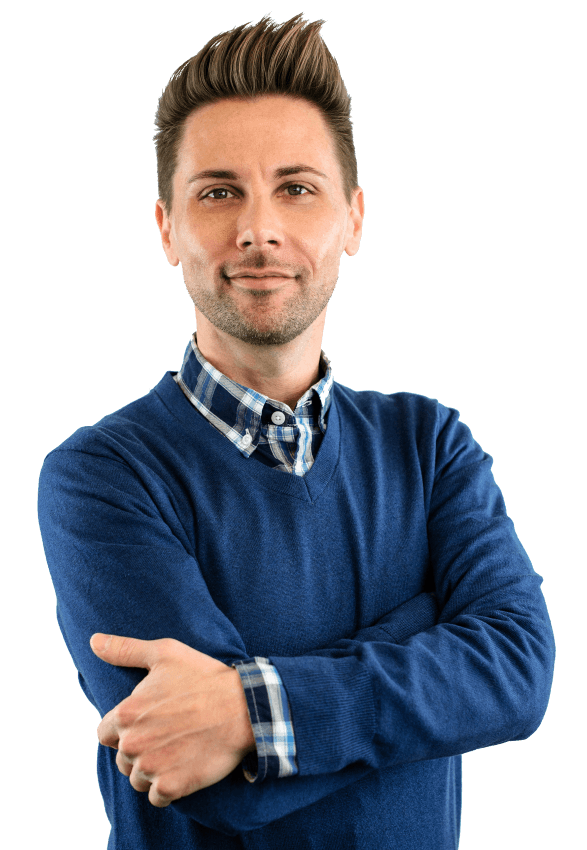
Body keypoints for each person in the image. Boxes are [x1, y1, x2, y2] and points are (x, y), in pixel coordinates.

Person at [37, 13, 555, 850]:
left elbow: (519, 673)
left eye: (296, 188)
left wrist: (248, 708)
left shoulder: (430, 445)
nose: (259, 230)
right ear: (167, 228)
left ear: (353, 219)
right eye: (218, 192)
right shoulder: (101, 476)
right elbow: (213, 783)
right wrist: (432, 631)